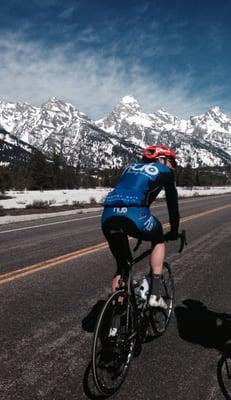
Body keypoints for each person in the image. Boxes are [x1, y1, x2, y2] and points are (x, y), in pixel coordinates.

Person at [101, 145, 180, 309]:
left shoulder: (129, 167)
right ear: (161, 159)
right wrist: (173, 230)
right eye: (172, 162)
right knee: (158, 239)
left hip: (108, 217)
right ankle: (155, 295)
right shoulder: (165, 171)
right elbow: (172, 205)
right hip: (135, 216)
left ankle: (117, 316)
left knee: (123, 266)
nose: (174, 166)